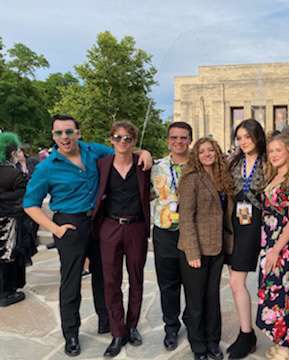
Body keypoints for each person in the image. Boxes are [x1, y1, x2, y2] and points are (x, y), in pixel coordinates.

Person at [23, 114, 152, 357]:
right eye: (59, 133)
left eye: (69, 132)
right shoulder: (47, 167)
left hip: (98, 221)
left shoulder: (94, 151)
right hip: (69, 224)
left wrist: (145, 152)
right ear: (53, 136)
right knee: (71, 281)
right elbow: (30, 204)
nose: (64, 137)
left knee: (104, 276)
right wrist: (56, 229)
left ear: (78, 133)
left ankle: (107, 321)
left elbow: (124, 148)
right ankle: (71, 333)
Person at [92, 121, 151, 357]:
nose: (122, 142)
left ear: (134, 141)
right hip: (110, 226)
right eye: (118, 137)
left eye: (127, 138)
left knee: (136, 278)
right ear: (111, 140)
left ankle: (132, 325)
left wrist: (146, 153)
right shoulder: (102, 164)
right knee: (111, 281)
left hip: (136, 226)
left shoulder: (143, 164)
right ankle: (118, 331)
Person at [178, 137, 234, 360]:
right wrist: (192, 252)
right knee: (196, 301)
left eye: (211, 150)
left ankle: (213, 341)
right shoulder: (191, 179)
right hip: (195, 250)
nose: (207, 154)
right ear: (196, 155)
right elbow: (185, 218)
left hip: (217, 247)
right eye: (202, 151)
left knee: (212, 298)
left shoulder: (223, 177)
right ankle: (198, 345)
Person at [256, 133, 289, 360]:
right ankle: (281, 341)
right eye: (271, 151)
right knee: (271, 293)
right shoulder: (272, 178)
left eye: (278, 150)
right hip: (269, 245)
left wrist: (276, 249)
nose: (274, 154)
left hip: (283, 248)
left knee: (282, 294)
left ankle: (287, 348)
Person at [225, 119, 266, 359]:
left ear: (257, 137)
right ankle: (246, 333)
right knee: (235, 282)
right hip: (236, 225)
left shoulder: (268, 161)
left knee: (237, 282)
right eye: (239, 138)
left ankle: (247, 333)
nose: (243, 142)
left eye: (247, 137)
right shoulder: (234, 162)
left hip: (259, 224)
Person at [151, 121, 192, 351]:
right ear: (168, 140)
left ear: (189, 140)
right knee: (168, 284)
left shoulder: (198, 166)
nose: (178, 142)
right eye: (174, 137)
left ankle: (191, 320)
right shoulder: (156, 166)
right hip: (164, 232)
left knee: (193, 283)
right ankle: (171, 326)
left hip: (191, 233)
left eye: (183, 137)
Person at [0, 132, 33, 307]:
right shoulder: (13, 174)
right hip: (9, 222)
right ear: (12, 152)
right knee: (8, 257)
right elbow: (24, 197)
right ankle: (6, 293)